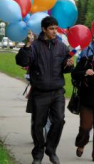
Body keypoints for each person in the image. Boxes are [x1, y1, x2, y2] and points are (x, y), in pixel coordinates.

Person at [16, 16, 74, 164]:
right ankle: (38, 153)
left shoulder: (61, 46)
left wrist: (69, 64)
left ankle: (51, 149)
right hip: (40, 92)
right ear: (44, 29)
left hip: (57, 91)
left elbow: (66, 68)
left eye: (56, 28)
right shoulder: (35, 45)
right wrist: (27, 45)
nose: (55, 31)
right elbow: (22, 61)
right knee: (37, 125)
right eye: (51, 29)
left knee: (59, 121)